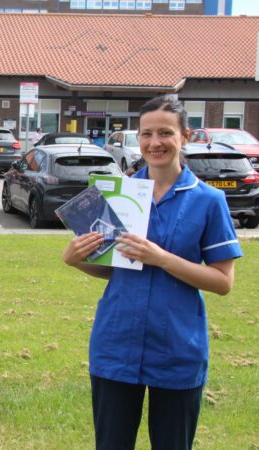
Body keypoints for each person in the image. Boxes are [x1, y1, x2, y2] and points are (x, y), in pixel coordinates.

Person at [62, 96, 241, 450]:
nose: (154, 142)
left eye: (165, 133)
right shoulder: (117, 194)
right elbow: (113, 270)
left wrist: (162, 258)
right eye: (146, 134)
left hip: (176, 347)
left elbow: (222, 282)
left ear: (185, 136)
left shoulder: (208, 201)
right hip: (116, 344)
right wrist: (76, 258)